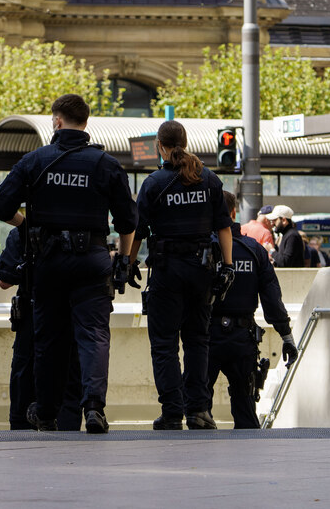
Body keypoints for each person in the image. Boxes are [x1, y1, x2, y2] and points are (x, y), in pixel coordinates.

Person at [0, 94, 137, 434]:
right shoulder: (105, 164)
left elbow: (1, 207)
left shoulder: (35, 160)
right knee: (94, 335)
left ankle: (44, 412)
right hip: (92, 261)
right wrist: (125, 260)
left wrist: (27, 225)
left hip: (49, 262)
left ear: (57, 121)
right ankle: (94, 409)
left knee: (49, 339)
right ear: (85, 122)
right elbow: (128, 222)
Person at [127, 120, 234, 431]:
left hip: (166, 271)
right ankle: (199, 411)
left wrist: (129, 263)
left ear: (160, 146)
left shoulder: (154, 183)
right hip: (203, 270)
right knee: (198, 340)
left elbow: (137, 231)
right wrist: (227, 267)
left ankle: (173, 412)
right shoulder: (209, 180)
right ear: (184, 142)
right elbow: (224, 227)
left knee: (164, 343)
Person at [207, 191, 297, 429]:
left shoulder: (203, 250)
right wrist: (286, 336)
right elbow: (272, 300)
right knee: (246, 411)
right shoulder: (255, 251)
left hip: (205, 338)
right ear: (234, 213)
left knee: (198, 410)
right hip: (242, 339)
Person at [0, 226, 82, 431]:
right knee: (69, 378)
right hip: (71, 314)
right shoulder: (82, 231)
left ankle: (22, 430)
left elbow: (4, 281)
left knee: (25, 374)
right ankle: (67, 432)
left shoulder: (23, 233)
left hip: (33, 314)